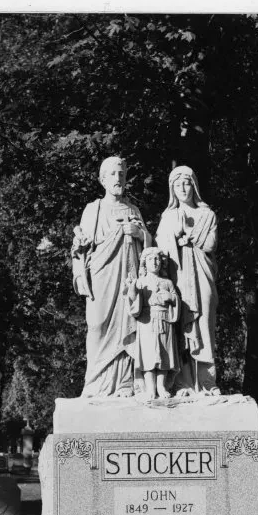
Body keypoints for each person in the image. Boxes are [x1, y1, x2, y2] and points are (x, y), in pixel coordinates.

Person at [71, 156, 152, 397]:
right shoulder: (93, 209)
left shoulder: (133, 209)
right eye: (113, 174)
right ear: (102, 179)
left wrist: (139, 234)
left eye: (122, 174)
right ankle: (95, 383)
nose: (118, 179)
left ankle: (126, 382)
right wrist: (79, 244)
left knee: (130, 325)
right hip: (102, 275)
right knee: (96, 325)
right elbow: (81, 247)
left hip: (128, 277)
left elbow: (150, 249)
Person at [155, 165, 219, 395]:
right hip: (178, 278)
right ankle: (184, 383)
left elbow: (211, 244)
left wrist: (189, 237)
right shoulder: (169, 216)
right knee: (180, 330)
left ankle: (207, 383)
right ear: (172, 189)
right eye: (178, 184)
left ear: (194, 185)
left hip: (203, 279)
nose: (183, 188)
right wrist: (175, 235)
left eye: (187, 183)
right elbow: (160, 249)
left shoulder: (207, 215)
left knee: (205, 329)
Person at [125, 247, 180, 400]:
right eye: (150, 259)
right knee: (149, 356)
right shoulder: (141, 282)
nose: (154, 262)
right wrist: (131, 288)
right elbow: (133, 302)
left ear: (161, 263)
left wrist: (171, 297)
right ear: (144, 263)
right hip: (146, 321)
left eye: (157, 259)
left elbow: (176, 300)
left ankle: (161, 387)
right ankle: (150, 388)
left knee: (164, 354)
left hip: (165, 320)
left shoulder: (167, 282)